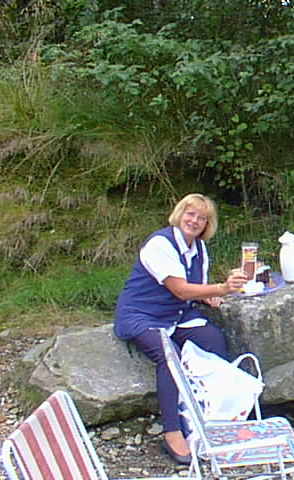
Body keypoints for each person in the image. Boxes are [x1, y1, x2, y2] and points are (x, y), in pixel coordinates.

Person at [114, 193, 247, 465]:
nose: (194, 221)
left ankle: (214, 416)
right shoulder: (160, 244)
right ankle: (172, 431)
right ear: (180, 214)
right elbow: (180, 289)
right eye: (190, 214)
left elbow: (194, 286)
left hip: (176, 315)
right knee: (169, 355)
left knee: (213, 339)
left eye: (202, 218)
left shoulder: (199, 249)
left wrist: (208, 295)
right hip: (142, 314)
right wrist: (221, 288)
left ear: (207, 225)